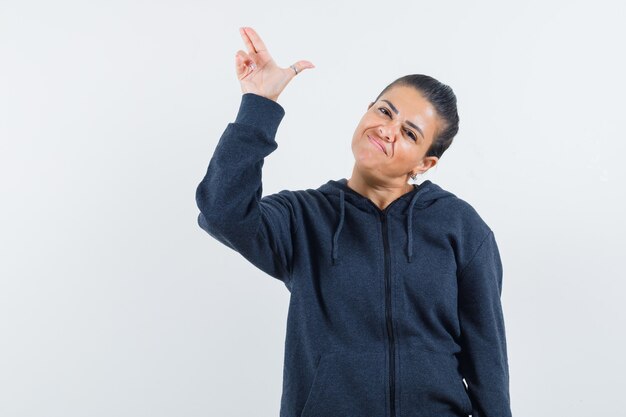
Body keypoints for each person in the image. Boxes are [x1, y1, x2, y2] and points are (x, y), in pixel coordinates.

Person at [195, 26, 512, 417]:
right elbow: (221, 212)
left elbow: (487, 363)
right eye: (384, 111)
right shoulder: (304, 218)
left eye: (409, 133)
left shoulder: (461, 229)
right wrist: (259, 104)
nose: (386, 130)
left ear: (424, 163)